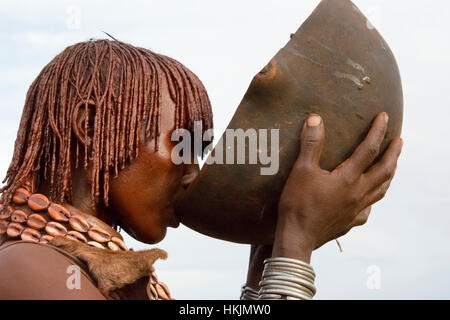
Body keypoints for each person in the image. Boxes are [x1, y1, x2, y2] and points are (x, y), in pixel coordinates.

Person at [0, 39, 402, 299]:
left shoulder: (80, 271)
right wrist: (295, 246)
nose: (194, 173)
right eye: (181, 144)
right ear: (88, 127)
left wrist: (265, 262)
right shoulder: (31, 271)